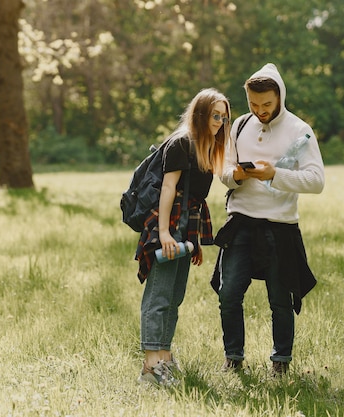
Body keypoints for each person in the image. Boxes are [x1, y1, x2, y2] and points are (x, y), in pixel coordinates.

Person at [211, 63, 325, 377]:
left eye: (267, 105)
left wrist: (275, 174)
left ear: (280, 97)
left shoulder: (299, 129)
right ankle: (233, 358)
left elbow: (316, 181)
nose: (260, 111)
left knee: (280, 299)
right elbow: (223, 169)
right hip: (241, 222)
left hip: (280, 226)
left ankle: (281, 363)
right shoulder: (239, 126)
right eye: (253, 104)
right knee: (229, 293)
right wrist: (235, 175)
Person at [135, 88, 231, 385]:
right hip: (169, 222)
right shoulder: (181, 143)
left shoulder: (206, 147)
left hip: (187, 225)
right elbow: (168, 189)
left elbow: (194, 199)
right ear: (200, 115)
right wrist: (164, 232)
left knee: (175, 296)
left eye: (224, 118)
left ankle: (164, 357)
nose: (219, 123)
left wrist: (196, 241)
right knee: (159, 295)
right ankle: (151, 367)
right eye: (215, 116)